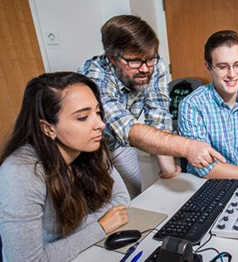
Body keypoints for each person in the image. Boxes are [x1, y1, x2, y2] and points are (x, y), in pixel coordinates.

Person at [78, 15, 225, 198]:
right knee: (106, 200)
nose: (145, 68)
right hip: (87, 146)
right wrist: (187, 147)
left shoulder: (155, 65)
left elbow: (158, 113)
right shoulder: (95, 78)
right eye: (135, 61)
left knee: (132, 193)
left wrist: (168, 166)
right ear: (112, 58)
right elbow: (128, 129)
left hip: (120, 143)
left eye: (149, 58)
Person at [0, 72, 130, 261]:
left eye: (98, 112)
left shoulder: (91, 145)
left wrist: (72, 237)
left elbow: (121, 199)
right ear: (48, 128)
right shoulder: (20, 172)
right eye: (83, 117)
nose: (100, 124)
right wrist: (99, 227)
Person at [178, 30, 238, 181]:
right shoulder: (191, 105)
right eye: (223, 66)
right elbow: (205, 167)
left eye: (237, 65)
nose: (232, 74)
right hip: (208, 183)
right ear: (208, 67)